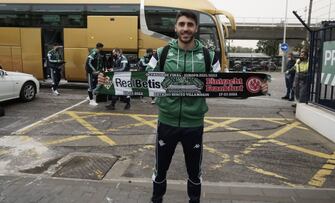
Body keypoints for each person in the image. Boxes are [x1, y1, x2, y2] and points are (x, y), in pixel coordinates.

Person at [98, 11, 267, 203]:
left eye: (189, 24)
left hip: (194, 124)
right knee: (160, 169)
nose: (185, 28)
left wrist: (256, 87)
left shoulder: (209, 56)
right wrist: (107, 81)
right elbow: (140, 80)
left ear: (195, 28)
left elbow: (226, 86)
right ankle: (156, 199)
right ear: (176, 27)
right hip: (166, 122)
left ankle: (194, 200)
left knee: (194, 172)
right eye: (182, 24)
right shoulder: (161, 54)